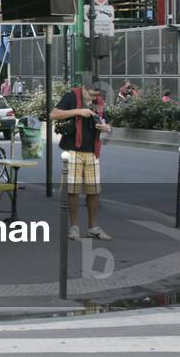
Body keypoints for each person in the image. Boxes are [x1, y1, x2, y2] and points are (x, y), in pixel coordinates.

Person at [50, 77, 113, 241]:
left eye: (96, 95)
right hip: (73, 150)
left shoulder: (99, 101)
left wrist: (106, 128)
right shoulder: (71, 96)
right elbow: (53, 114)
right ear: (84, 89)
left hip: (93, 150)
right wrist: (79, 111)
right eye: (91, 95)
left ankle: (93, 227)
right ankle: (74, 227)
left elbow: (105, 121)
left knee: (94, 191)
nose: (93, 98)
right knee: (73, 190)